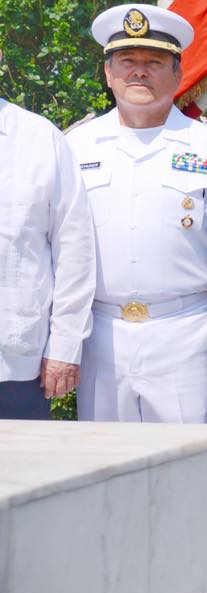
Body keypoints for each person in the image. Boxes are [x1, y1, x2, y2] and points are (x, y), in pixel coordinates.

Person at [66, 3, 207, 423]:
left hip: (188, 334)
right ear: (108, 73)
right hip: (99, 336)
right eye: (127, 61)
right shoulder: (73, 146)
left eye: (154, 62)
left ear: (178, 73)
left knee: (184, 473)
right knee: (103, 473)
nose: (139, 71)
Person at [0, 50, 96, 419]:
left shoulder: (39, 138)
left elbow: (74, 249)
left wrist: (65, 346)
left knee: (22, 475)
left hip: (15, 363)